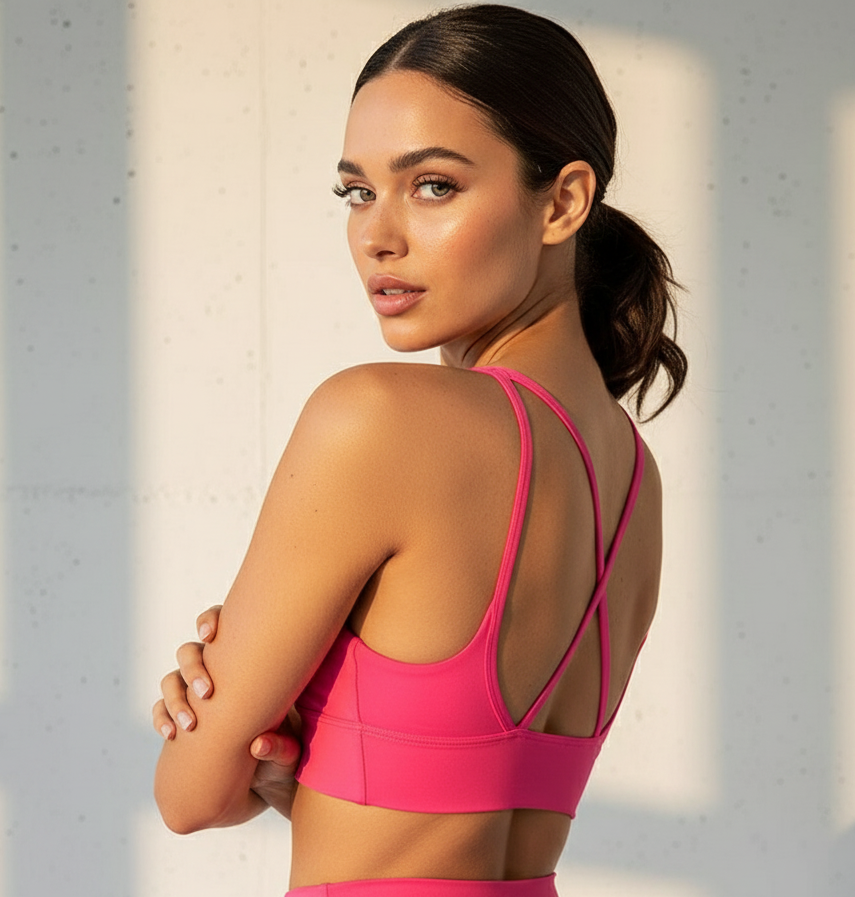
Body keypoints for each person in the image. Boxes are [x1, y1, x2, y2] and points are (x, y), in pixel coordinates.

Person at [152, 5, 687, 895]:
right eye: (356, 190)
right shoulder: (634, 477)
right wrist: (311, 773)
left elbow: (188, 796)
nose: (377, 234)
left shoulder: (379, 417)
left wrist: (227, 735)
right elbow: (475, 800)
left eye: (432, 185)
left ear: (562, 201)